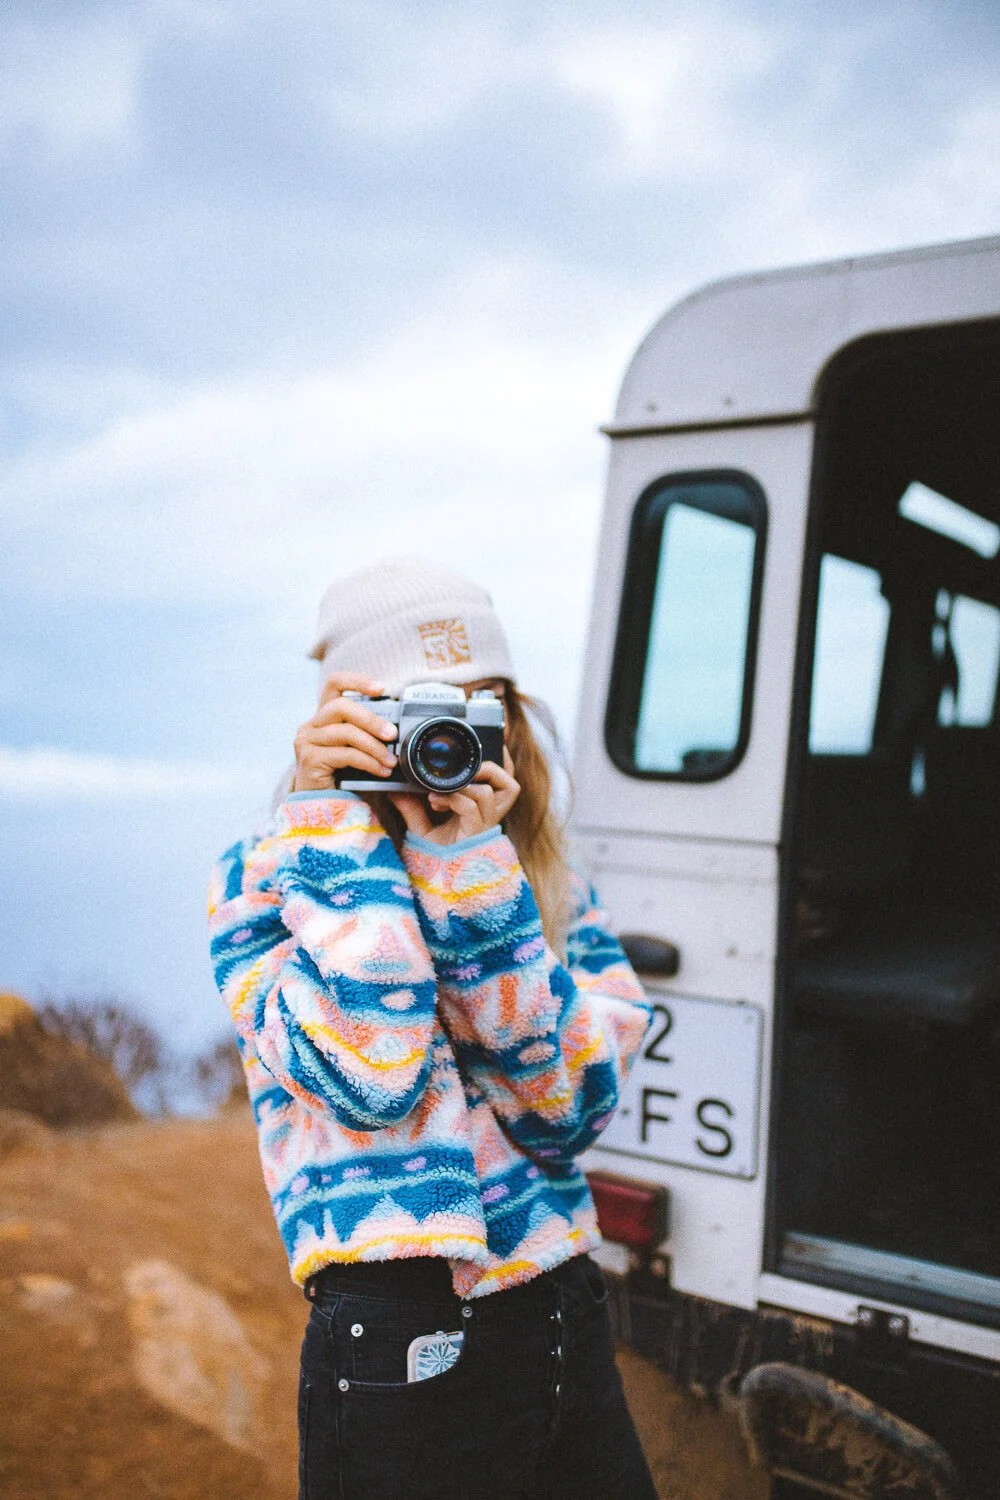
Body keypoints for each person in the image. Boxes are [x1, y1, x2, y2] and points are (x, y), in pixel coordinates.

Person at [208, 558, 657, 1500]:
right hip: (400, 1337)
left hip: (564, 1310)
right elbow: (369, 1080)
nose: (448, 734)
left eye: (480, 700)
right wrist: (335, 832)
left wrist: (471, 872)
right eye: (418, 707)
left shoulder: (549, 884)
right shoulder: (264, 881)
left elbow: (571, 1112)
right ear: (348, 720)